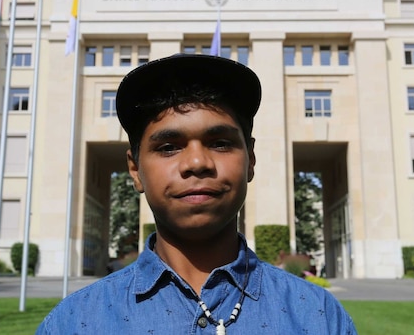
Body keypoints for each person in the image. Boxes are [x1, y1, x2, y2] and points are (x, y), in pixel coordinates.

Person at [37, 54, 356, 334]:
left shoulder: (319, 316)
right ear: (135, 170)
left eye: (220, 143)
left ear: (251, 160)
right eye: (168, 147)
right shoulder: (74, 322)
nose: (197, 163)